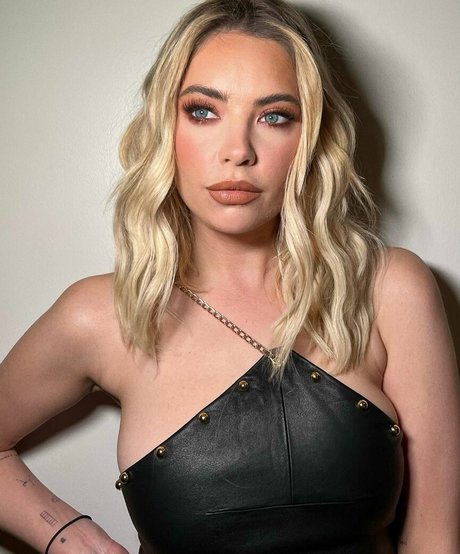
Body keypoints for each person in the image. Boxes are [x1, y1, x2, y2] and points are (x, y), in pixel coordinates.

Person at [1, 0, 459, 552]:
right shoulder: (103, 316)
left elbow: (435, 539)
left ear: (311, 139)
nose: (238, 152)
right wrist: (70, 537)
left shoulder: (388, 290)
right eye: (203, 111)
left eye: (275, 116)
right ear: (166, 126)